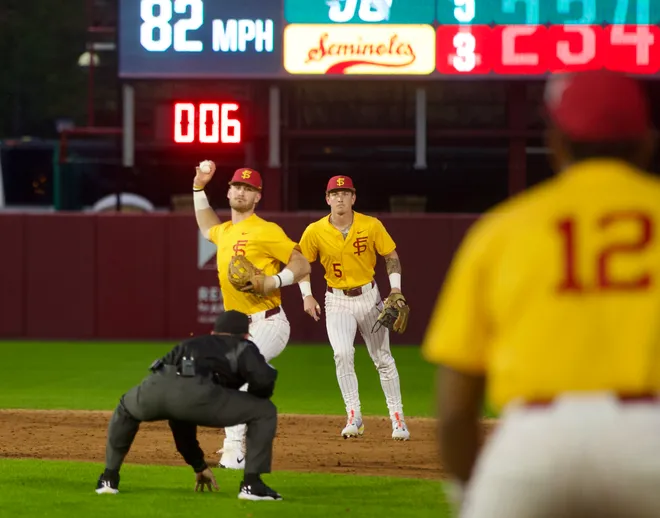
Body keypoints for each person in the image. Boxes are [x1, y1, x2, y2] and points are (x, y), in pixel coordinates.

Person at [421, 70, 660, 518]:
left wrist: (471, 493)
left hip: (535, 441)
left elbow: (455, 407)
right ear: (647, 142)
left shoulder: (504, 229)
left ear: (556, 144)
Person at [191, 162, 311, 469]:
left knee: (237, 376)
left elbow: (302, 265)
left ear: (258, 197)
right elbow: (206, 226)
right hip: (238, 329)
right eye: (237, 186)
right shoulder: (225, 231)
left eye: (249, 188)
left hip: (268, 321)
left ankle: (233, 451)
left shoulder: (267, 230)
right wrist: (198, 187)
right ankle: (249, 429)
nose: (241, 191)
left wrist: (274, 281)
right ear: (229, 191)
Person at [95, 310, 282, 500]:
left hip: (155, 388)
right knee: (264, 411)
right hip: (200, 394)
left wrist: (199, 465)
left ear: (213, 332)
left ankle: (108, 480)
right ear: (245, 334)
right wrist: (256, 398)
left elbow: (179, 411)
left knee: (126, 408)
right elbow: (263, 380)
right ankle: (252, 485)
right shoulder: (243, 345)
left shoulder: (190, 343)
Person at [297, 175, 410, 440]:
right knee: (342, 354)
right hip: (336, 300)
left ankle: (398, 419)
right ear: (327, 199)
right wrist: (306, 295)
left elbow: (390, 255)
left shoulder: (371, 225)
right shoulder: (314, 230)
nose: (339, 197)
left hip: (369, 297)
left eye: (345, 193)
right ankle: (354, 416)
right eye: (334, 193)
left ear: (353, 197)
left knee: (382, 358)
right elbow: (302, 263)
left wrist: (395, 289)